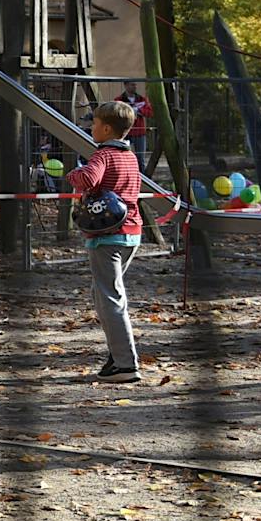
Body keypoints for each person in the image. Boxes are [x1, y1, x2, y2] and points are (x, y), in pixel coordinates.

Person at [65, 100, 145, 381]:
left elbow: (87, 178)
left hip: (108, 236)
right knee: (103, 296)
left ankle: (126, 364)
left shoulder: (104, 154)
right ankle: (117, 357)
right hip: (131, 233)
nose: (91, 128)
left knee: (110, 299)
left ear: (107, 128)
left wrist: (72, 175)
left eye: (95, 124)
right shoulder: (130, 156)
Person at [122, 83, 152, 169]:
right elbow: (117, 112)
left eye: (135, 85)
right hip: (125, 132)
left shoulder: (142, 99)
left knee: (140, 159)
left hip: (139, 133)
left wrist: (138, 110)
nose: (134, 87)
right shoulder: (120, 99)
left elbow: (150, 112)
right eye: (132, 85)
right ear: (126, 86)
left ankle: (142, 179)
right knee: (125, 158)